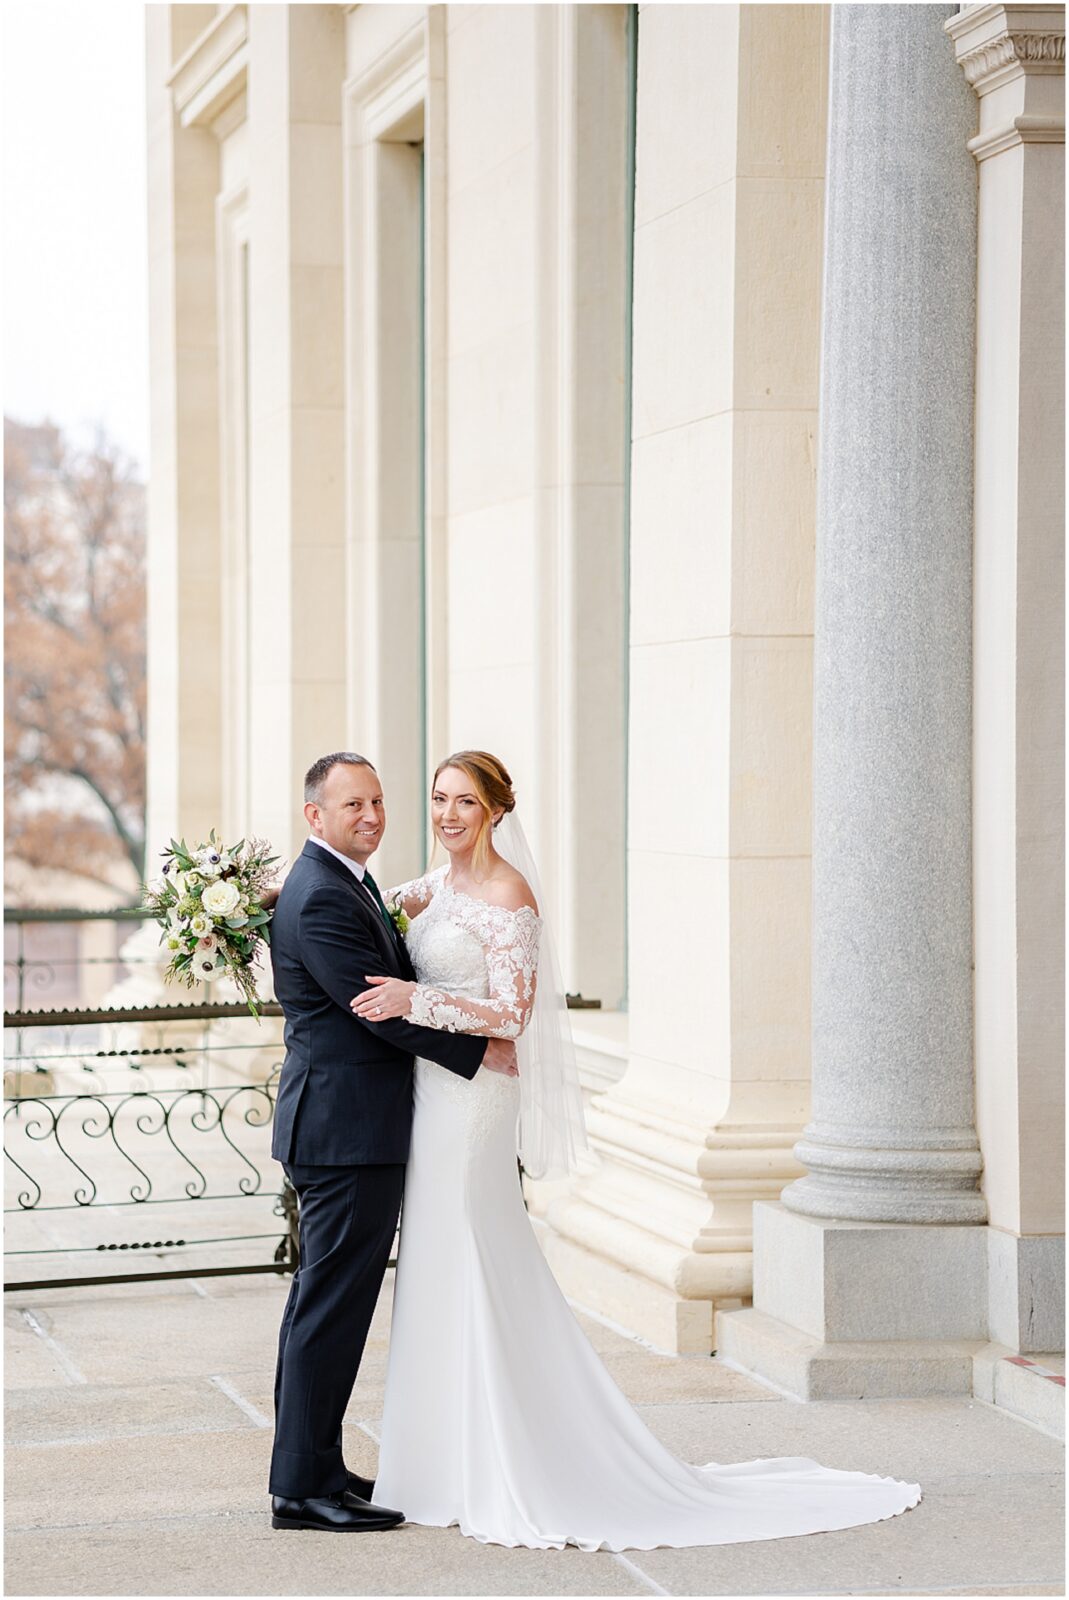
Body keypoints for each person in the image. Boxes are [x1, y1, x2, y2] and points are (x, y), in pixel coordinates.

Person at [348, 748, 923, 1551]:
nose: (446, 815)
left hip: (477, 1104)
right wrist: (258, 900)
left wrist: (421, 998)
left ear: (495, 813)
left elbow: (513, 1014)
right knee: (438, 1259)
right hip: (431, 1095)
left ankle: (504, 1455)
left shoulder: (508, 894)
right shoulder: (428, 886)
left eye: (464, 803)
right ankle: (440, 1458)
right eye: (439, 799)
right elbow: (358, 905)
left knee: (473, 1246)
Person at [267, 752, 519, 1534]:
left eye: (377, 801)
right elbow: (379, 1011)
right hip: (345, 1134)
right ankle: (300, 1489)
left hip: (353, 1128)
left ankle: (317, 1467)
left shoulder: (345, 881)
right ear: (316, 815)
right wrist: (480, 1052)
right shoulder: (321, 899)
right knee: (328, 1309)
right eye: (352, 805)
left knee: (329, 1306)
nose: (371, 816)